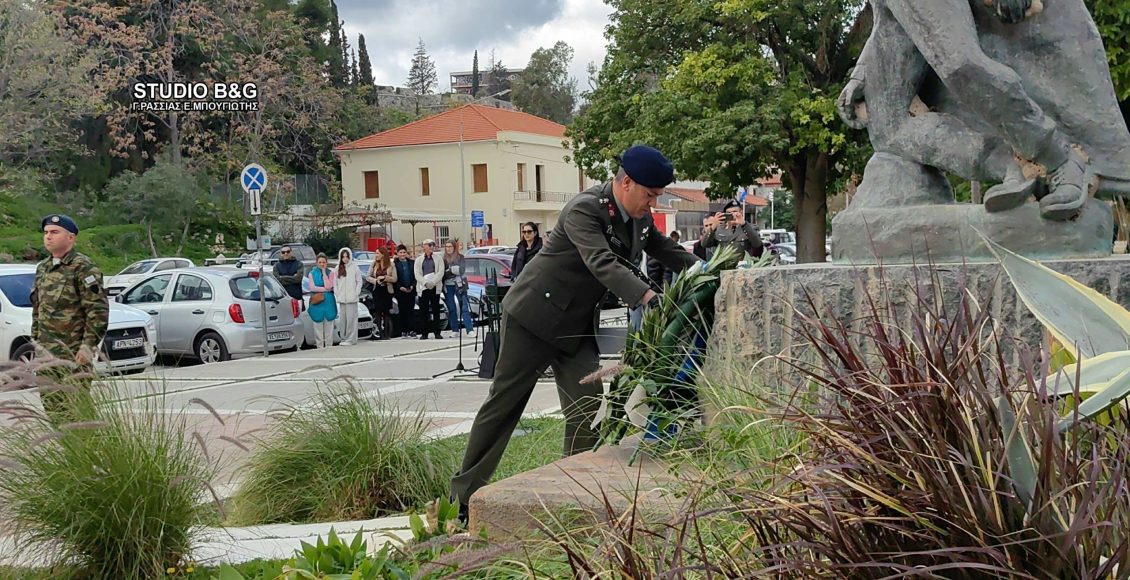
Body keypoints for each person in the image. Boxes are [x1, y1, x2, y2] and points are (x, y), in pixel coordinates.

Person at [451, 145, 699, 520]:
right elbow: (601, 262)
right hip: (533, 316)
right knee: (504, 405)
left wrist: (712, 271)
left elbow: (670, 251)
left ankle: (572, 494)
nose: (652, 203)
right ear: (626, 182)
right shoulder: (586, 208)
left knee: (586, 409)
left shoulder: (640, 220)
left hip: (576, 325)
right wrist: (648, 298)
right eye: (649, 195)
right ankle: (463, 499)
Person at [31, 214, 109, 421]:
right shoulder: (42, 269)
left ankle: (94, 451)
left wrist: (88, 346)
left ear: (71, 237)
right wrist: (35, 342)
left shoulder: (82, 267)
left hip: (73, 354)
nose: (48, 237)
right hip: (47, 355)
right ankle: (69, 453)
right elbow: (38, 310)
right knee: (54, 409)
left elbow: (97, 311)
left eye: (55, 232)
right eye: (46, 233)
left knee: (78, 410)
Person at [303, 253, 337, 348]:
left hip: (329, 302)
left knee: (329, 324)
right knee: (318, 324)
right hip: (317, 301)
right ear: (317, 263)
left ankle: (329, 345)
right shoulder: (312, 273)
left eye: (324, 262)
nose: (322, 264)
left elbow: (329, 286)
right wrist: (325, 290)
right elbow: (312, 288)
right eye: (320, 262)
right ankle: (320, 345)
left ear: (327, 263)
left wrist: (324, 273)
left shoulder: (330, 273)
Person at [441, 240, 475, 336]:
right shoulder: (443, 259)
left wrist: (450, 270)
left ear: (454, 247)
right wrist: (452, 270)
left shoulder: (461, 257)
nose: (448, 248)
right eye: (447, 246)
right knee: (451, 308)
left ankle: (470, 330)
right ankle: (455, 330)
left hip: (460, 285)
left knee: (464, 307)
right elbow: (443, 273)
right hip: (448, 286)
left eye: (450, 246)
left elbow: (461, 270)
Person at [413, 239, 445, 340]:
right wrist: (425, 282)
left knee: (436, 310)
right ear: (424, 247)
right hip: (423, 288)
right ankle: (424, 333)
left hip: (435, 287)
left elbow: (440, 272)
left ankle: (437, 332)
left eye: (432, 245)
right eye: (429, 245)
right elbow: (417, 273)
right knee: (424, 311)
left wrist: (433, 282)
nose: (431, 247)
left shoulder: (438, 258)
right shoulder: (419, 260)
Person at [366, 245, 397, 339]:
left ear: (383, 254)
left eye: (378, 253)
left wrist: (385, 278)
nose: (376, 255)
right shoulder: (374, 264)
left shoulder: (391, 264)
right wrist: (376, 280)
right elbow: (368, 277)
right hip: (377, 290)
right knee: (378, 311)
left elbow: (395, 278)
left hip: (387, 289)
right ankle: (381, 334)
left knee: (386, 312)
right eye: (376, 253)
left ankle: (387, 333)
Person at [333, 248, 363, 346]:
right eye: (343, 257)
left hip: (352, 298)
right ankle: (344, 338)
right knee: (343, 320)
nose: (345, 259)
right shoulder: (337, 268)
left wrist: (356, 293)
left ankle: (351, 338)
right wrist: (337, 293)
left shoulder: (355, 267)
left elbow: (359, 281)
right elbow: (335, 283)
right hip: (342, 298)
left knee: (351, 319)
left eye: (347, 256)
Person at [393, 244, 416, 337]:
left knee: (411, 310)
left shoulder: (412, 263)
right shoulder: (395, 264)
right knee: (402, 311)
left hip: (410, 290)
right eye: (400, 252)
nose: (402, 254)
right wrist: (399, 287)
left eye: (404, 252)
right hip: (400, 291)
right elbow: (395, 278)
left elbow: (415, 276)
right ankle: (404, 330)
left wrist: (412, 286)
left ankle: (411, 330)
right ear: (397, 253)